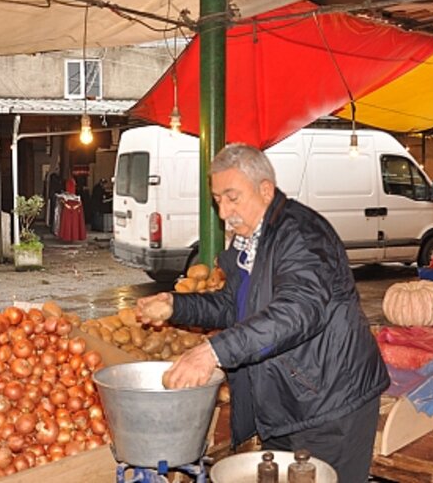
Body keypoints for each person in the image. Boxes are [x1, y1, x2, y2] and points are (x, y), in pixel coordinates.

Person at [135, 143, 388, 483]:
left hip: (329, 404)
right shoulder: (249, 241)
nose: (223, 212)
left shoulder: (301, 235)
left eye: (232, 197)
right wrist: (176, 305)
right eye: (218, 199)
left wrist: (214, 351)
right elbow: (233, 305)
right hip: (286, 401)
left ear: (265, 190)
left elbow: (298, 310)